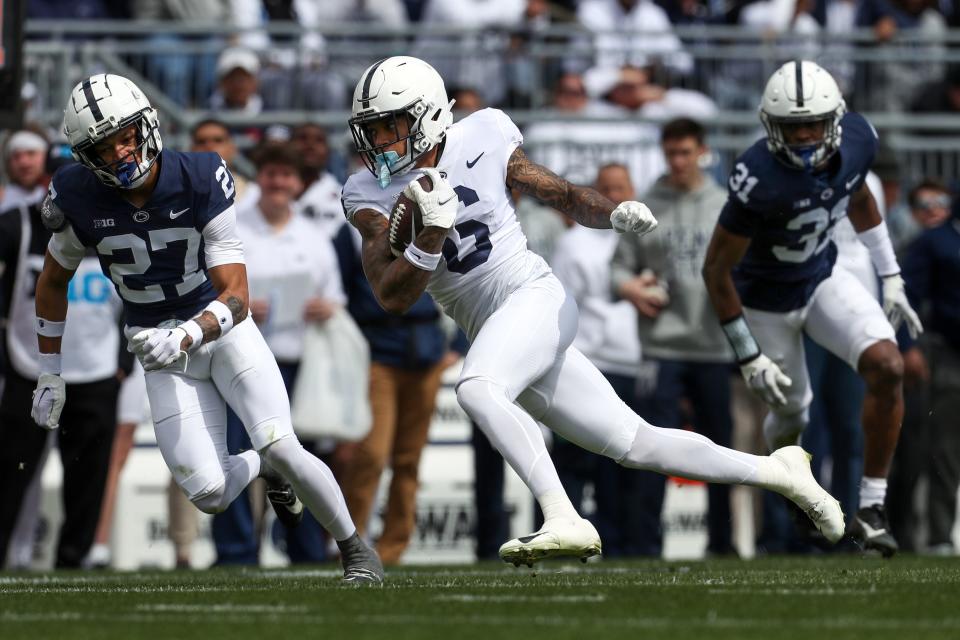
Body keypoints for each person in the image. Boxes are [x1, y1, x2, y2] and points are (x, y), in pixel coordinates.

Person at [341, 55, 844, 566]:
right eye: (373, 130)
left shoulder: (485, 133)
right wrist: (427, 236)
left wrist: (613, 213)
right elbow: (391, 294)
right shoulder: (364, 191)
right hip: (496, 327)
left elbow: (559, 192)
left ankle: (563, 515)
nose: (380, 142)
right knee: (637, 443)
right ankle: (782, 473)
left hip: (534, 296)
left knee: (477, 389)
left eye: (390, 126)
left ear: (427, 116)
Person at [31, 73, 382, 583]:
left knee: (279, 440)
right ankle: (263, 470)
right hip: (157, 348)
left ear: (146, 126)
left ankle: (354, 550)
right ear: (86, 158)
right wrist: (49, 373)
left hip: (220, 330)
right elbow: (51, 282)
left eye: (126, 136)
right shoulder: (78, 195)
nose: (121, 152)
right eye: (104, 148)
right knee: (210, 494)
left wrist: (187, 333)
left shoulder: (199, 175)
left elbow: (236, 295)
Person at [701, 60, 922, 557]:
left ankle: (871, 506)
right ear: (770, 126)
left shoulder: (858, 142)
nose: (803, 136)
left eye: (813, 124)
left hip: (821, 279)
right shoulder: (756, 178)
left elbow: (859, 197)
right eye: (792, 126)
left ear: (836, 120)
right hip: (764, 304)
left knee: (887, 365)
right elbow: (715, 272)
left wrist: (890, 273)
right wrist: (748, 355)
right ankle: (798, 496)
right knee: (792, 413)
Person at [611, 119, 737, 556]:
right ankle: (646, 545)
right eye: (671, 154)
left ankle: (722, 543)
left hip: (713, 345)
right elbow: (618, 267)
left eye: (685, 152)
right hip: (661, 346)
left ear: (702, 151)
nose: (678, 162)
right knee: (654, 449)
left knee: (721, 449)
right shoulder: (646, 204)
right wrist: (629, 287)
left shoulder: (724, 204)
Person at [0, 198, 122, 569]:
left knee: (88, 475)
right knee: (10, 470)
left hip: (97, 370)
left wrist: (124, 363)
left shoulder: (116, 222)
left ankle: (74, 560)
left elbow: (137, 288)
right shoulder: (19, 224)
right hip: (29, 369)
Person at [549, 163, 643, 557]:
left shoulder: (643, 237)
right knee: (575, 459)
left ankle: (623, 544)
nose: (615, 194)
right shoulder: (573, 243)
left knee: (625, 463)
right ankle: (570, 541)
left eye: (621, 186)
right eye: (606, 188)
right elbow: (559, 301)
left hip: (635, 360)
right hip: (587, 359)